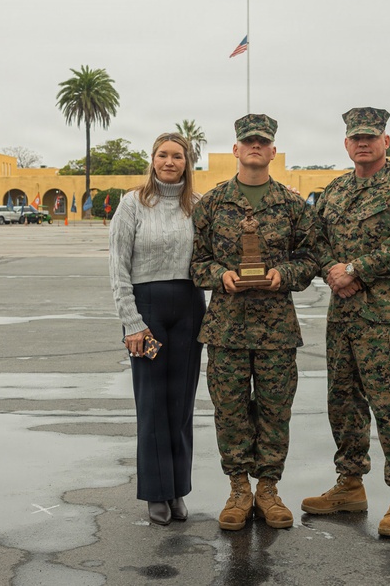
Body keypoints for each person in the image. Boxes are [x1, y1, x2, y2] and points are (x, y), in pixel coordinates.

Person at [301, 107, 390, 538]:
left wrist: (354, 269)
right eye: (356, 137)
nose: (363, 143)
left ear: (386, 141)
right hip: (343, 316)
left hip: (386, 318)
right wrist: (332, 271)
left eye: (371, 136)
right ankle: (350, 485)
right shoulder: (334, 191)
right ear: (345, 143)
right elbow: (314, 241)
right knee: (343, 403)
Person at [190, 113, 317, 531]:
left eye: (263, 141)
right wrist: (219, 276)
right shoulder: (211, 204)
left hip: (276, 329)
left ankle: (268, 490)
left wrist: (287, 274)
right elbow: (194, 262)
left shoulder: (293, 205)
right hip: (226, 328)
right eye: (249, 142)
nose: (256, 147)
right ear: (236, 150)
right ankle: (238, 489)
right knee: (229, 412)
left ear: (273, 151)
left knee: (275, 410)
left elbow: (311, 256)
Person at [109, 132, 206, 526]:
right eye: (163, 155)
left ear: (187, 162)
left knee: (181, 405)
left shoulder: (197, 206)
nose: (169, 162)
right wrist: (131, 321)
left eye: (177, 156)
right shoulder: (132, 203)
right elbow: (117, 265)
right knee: (151, 403)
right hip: (147, 309)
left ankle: (178, 489)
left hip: (188, 307)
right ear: (152, 160)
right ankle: (155, 492)